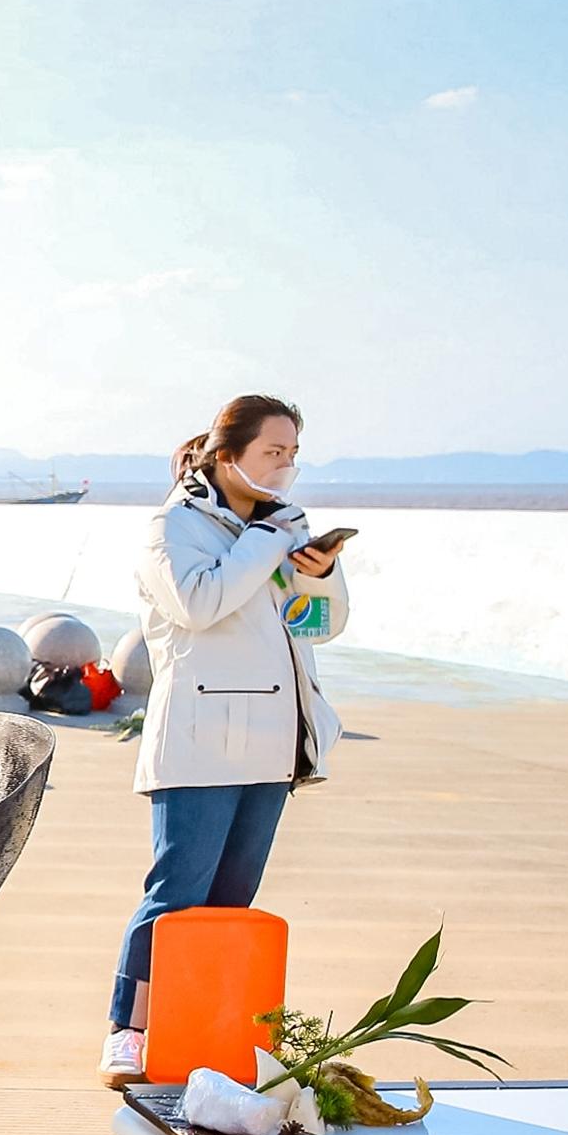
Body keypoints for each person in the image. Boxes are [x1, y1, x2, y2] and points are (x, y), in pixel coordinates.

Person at [98, 396, 349, 1087]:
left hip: (273, 742)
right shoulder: (171, 527)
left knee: (231, 901)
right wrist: (267, 542)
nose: (287, 466)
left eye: (294, 453)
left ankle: (198, 1028)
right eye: (275, 451)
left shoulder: (278, 528)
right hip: (200, 737)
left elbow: (318, 625)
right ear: (227, 453)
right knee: (176, 893)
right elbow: (198, 604)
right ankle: (129, 1029)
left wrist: (318, 572)